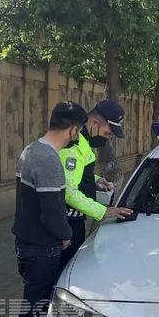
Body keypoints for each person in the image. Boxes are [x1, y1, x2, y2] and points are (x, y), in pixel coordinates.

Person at [10, 100, 88, 317]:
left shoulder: (32, 150)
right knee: (33, 314)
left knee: (35, 310)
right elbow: (52, 214)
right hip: (42, 248)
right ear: (74, 130)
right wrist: (66, 236)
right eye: (78, 132)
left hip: (28, 245)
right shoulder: (49, 160)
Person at [58, 99, 134, 270]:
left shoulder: (83, 142)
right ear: (94, 123)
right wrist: (104, 211)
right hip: (67, 223)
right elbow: (68, 191)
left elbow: (74, 174)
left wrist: (95, 180)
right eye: (107, 133)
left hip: (75, 219)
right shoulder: (73, 145)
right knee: (66, 272)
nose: (107, 138)